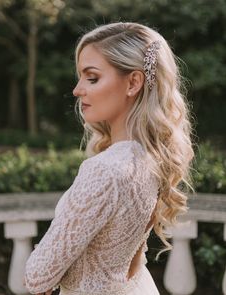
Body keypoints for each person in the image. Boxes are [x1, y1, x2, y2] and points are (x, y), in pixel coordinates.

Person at [24, 22, 194, 295]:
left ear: (133, 82)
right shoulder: (150, 159)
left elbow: (36, 276)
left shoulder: (104, 170)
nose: (77, 90)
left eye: (91, 78)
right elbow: (129, 260)